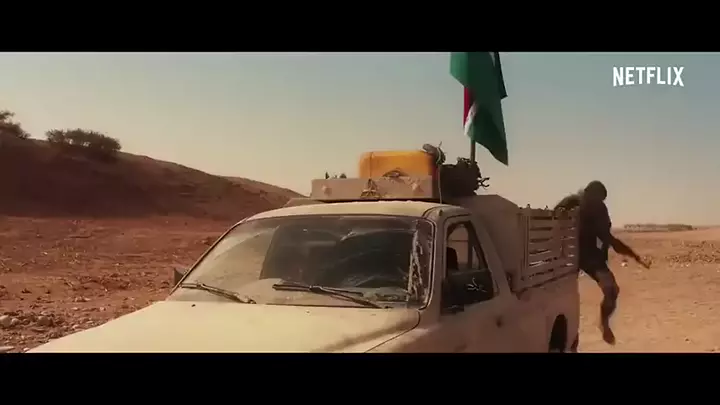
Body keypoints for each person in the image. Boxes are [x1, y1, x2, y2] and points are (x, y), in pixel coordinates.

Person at [555, 180, 650, 345]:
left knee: (605, 291)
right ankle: (602, 323)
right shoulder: (592, 207)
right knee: (611, 290)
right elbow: (609, 239)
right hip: (587, 257)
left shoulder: (575, 202)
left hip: (574, 255)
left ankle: (598, 326)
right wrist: (634, 255)